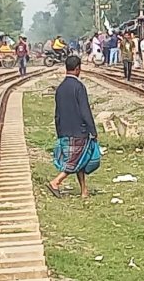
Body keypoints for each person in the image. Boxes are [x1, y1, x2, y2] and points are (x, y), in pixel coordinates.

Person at [48, 56, 100, 199]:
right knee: (75, 161)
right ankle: (56, 182)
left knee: (80, 160)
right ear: (78, 69)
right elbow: (85, 111)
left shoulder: (60, 88)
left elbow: (57, 113)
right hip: (79, 130)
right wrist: (93, 130)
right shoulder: (79, 87)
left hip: (64, 130)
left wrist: (59, 131)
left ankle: (84, 190)